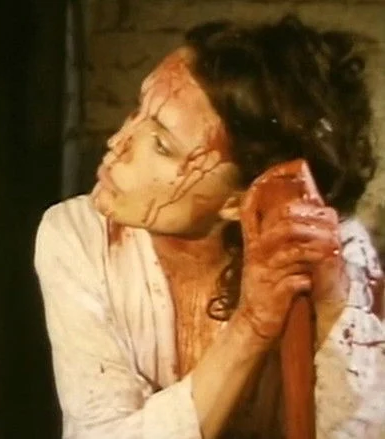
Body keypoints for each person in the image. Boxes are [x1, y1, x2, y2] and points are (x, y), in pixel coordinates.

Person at [34, 14, 385, 439]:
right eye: (138, 110)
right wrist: (251, 326)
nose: (117, 143)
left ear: (239, 201)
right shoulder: (79, 236)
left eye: (161, 144)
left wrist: (333, 306)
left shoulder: (329, 250)